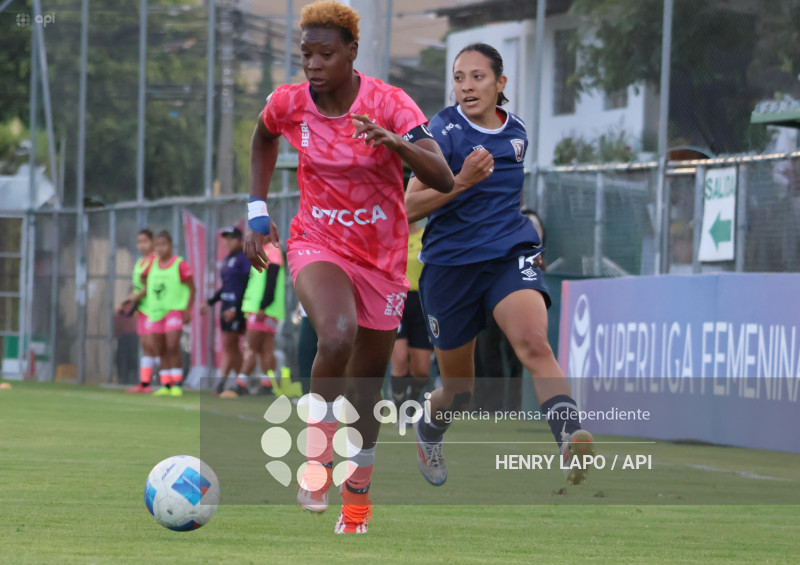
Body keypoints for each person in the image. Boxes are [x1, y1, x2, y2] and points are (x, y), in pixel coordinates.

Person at [243, 0, 453, 534]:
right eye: (306, 54)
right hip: (317, 243)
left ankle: (356, 503)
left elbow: (444, 177)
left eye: (325, 54)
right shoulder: (290, 104)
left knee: (364, 397)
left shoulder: (389, 102)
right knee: (335, 337)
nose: (313, 64)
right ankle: (315, 465)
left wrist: (398, 144)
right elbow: (264, 137)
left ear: (351, 52)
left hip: (382, 263)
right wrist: (257, 211)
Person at [405, 43, 595, 489]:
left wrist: (523, 242)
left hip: (508, 258)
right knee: (459, 391)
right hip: (450, 269)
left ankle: (569, 436)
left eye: (477, 76)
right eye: (459, 77)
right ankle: (428, 429)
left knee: (534, 343)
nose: (467, 86)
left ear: (500, 83)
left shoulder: (519, 134)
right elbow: (409, 206)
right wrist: (461, 181)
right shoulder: (442, 131)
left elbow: (506, 200)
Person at [136, 230, 196, 397]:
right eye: (157, 245)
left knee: (171, 346)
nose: (160, 248)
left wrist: (188, 309)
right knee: (160, 348)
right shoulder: (152, 263)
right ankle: (166, 383)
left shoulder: (179, 264)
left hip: (174, 311)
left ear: (170, 246)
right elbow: (143, 277)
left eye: (163, 245)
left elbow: (192, 287)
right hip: (156, 312)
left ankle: (177, 383)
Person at [200, 227, 251, 396]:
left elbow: (245, 286)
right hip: (225, 307)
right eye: (226, 238)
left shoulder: (244, 259)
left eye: (232, 238)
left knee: (229, 346)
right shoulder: (227, 259)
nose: (228, 242)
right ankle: (241, 384)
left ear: (240, 240)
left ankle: (221, 383)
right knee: (232, 347)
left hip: (235, 308)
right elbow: (226, 287)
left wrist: (236, 308)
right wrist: (210, 302)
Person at [389, 220, 432, 410]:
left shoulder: (427, 236)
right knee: (399, 359)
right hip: (395, 300)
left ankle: (412, 402)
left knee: (421, 369)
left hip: (422, 302)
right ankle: (400, 410)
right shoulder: (388, 237)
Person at [234, 242, 286, 396]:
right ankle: (267, 383)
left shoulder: (272, 252)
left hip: (262, 310)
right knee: (265, 348)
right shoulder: (263, 252)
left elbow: (272, 280)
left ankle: (240, 383)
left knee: (250, 346)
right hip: (265, 310)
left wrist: (263, 305)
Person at [117, 228, 158, 394]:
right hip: (142, 310)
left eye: (145, 241)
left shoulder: (155, 260)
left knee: (154, 345)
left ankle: (167, 381)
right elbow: (138, 287)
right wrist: (126, 302)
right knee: (146, 346)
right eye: (139, 242)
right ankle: (145, 383)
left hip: (155, 309)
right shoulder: (140, 262)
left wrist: (129, 300)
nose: (141, 245)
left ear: (152, 241)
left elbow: (150, 287)